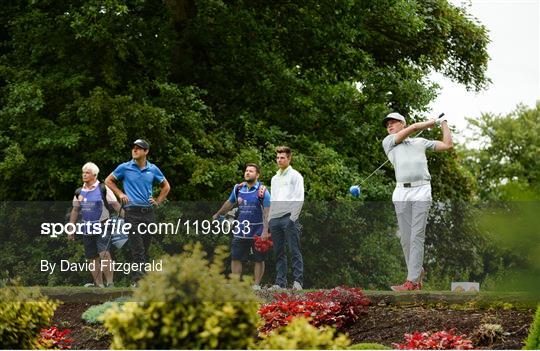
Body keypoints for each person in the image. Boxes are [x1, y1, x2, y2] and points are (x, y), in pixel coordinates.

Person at [382, 112, 453, 291]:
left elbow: (447, 145)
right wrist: (431, 122)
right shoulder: (388, 142)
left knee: (417, 236)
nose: (389, 126)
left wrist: (443, 123)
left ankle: (412, 281)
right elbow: (414, 128)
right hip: (401, 192)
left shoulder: (420, 142)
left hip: (421, 190)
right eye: (387, 124)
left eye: (394, 123)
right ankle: (417, 272)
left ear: (402, 124)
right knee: (406, 239)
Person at [105, 139, 170, 287]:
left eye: (139, 148)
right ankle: (139, 282)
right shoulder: (125, 167)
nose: (135, 150)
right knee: (138, 248)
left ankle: (140, 277)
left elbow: (166, 186)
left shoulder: (153, 169)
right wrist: (120, 194)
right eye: (133, 148)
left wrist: (158, 201)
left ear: (146, 152)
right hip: (131, 213)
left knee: (144, 248)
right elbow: (108, 181)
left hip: (148, 213)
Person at [212, 163, 271, 290]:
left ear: (257, 175)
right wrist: (218, 213)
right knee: (235, 257)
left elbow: (267, 211)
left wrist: (265, 231)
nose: (247, 173)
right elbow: (229, 203)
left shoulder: (262, 191)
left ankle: (256, 285)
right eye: (246, 171)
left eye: (251, 171)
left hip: (258, 230)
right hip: (240, 230)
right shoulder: (238, 188)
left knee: (259, 259)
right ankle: (236, 285)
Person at [68, 162, 121, 288]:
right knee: (92, 258)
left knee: (105, 254)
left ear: (95, 175)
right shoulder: (79, 192)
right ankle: (99, 286)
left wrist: (130, 220)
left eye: (87, 173)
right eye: (83, 172)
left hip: (103, 226)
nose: (84, 175)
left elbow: (116, 205)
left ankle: (110, 284)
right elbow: (75, 210)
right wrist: (71, 229)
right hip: (87, 228)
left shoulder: (103, 188)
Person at [268, 146, 305, 290]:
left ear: (289, 159)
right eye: (277, 157)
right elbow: (273, 199)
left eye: (282, 157)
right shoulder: (274, 178)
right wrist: (270, 218)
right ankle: (280, 283)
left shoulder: (296, 176)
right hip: (275, 219)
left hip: (289, 217)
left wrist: (293, 219)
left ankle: (297, 282)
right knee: (279, 253)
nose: (279, 160)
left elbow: (299, 198)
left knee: (294, 250)